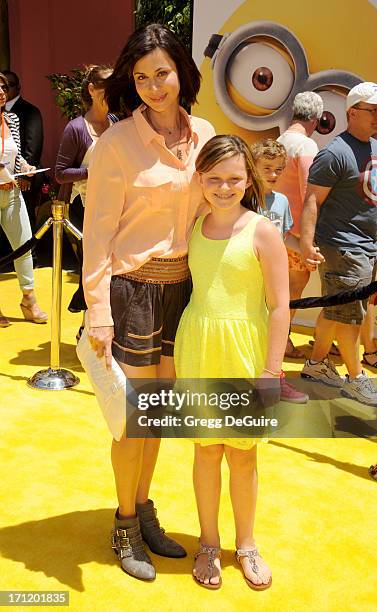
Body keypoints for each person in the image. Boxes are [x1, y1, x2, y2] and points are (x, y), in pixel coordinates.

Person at [82, 24, 215, 581]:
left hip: (183, 292)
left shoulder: (205, 132)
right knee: (133, 422)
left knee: (158, 416)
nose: (153, 86)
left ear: (182, 72)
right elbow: (96, 235)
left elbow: (219, 207)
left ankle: (144, 508)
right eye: (141, 77)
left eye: (162, 73)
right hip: (132, 290)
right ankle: (125, 520)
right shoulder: (115, 145)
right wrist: (98, 311)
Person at [174, 135, 290, 590]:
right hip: (199, 348)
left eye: (234, 179)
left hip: (246, 353)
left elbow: (280, 306)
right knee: (205, 451)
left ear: (249, 179)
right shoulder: (195, 224)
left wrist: (270, 371)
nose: (225, 187)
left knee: (243, 456)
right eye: (215, 178)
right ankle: (208, 542)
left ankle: (246, 544)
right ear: (200, 178)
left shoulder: (262, 230)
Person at [300, 82, 377, 406]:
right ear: (352, 113)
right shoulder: (334, 152)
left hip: (366, 246)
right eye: (372, 111)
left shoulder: (373, 146)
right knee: (350, 315)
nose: (376, 116)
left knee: (337, 310)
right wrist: (306, 244)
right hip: (344, 247)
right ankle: (356, 378)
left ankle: (316, 364)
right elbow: (311, 202)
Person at [55, 65, 115, 337]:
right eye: (107, 85)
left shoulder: (116, 122)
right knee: (92, 266)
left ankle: (96, 324)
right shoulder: (76, 128)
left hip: (114, 205)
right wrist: (92, 172)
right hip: (85, 205)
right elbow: (59, 173)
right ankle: (86, 325)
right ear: (92, 89)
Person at [251, 138, 309, 403]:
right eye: (267, 168)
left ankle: (276, 378)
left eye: (278, 169)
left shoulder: (282, 202)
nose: (273, 174)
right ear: (253, 167)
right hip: (249, 280)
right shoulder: (244, 200)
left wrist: (306, 250)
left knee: (275, 331)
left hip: (274, 281)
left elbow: (285, 236)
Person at [276, 91, 325, 358]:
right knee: (293, 289)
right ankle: (281, 342)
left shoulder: (280, 140)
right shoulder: (306, 146)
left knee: (276, 290)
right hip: (295, 233)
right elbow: (310, 192)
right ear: (316, 120)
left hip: (276, 230)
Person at [0, 72, 47, 327]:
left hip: (12, 190)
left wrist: (26, 166)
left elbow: (14, 154)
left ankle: (29, 300)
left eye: (3, 87)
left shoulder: (13, 119)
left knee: (24, 246)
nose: (1, 91)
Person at [3, 70, 44, 228]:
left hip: (23, 176)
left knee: (23, 221)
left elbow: (33, 145)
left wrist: (25, 175)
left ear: (18, 88)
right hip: (5, 179)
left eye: (7, 86)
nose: (3, 91)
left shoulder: (29, 111)